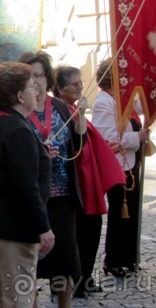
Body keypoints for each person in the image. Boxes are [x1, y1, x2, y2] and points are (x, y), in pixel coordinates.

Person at [0, 62, 54, 308]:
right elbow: (25, 186)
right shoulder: (17, 129)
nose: (37, 92)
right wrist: (43, 227)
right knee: (17, 298)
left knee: (0, 296)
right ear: (20, 96)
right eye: (32, 87)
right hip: (15, 225)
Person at [18, 51, 86, 308]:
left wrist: (79, 120)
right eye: (29, 76)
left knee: (64, 260)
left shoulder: (59, 106)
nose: (34, 81)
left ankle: (64, 305)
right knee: (32, 260)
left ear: (48, 78)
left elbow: (78, 146)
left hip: (61, 195)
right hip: (33, 195)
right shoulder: (19, 110)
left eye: (39, 75)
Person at [53, 64, 125, 297]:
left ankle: (83, 277)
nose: (80, 88)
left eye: (81, 83)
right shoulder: (62, 110)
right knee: (81, 232)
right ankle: (74, 281)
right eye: (75, 84)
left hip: (85, 178)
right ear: (60, 88)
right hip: (76, 181)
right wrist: (82, 115)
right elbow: (78, 142)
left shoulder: (72, 107)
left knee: (89, 230)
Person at [91, 58, 151, 278]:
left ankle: (128, 257)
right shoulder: (103, 102)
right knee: (119, 214)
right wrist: (138, 137)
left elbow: (143, 105)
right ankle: (113, 259)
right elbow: (106, 138)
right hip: (118, 166)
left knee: (131, 213)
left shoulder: (121, 98)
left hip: (130, 163)